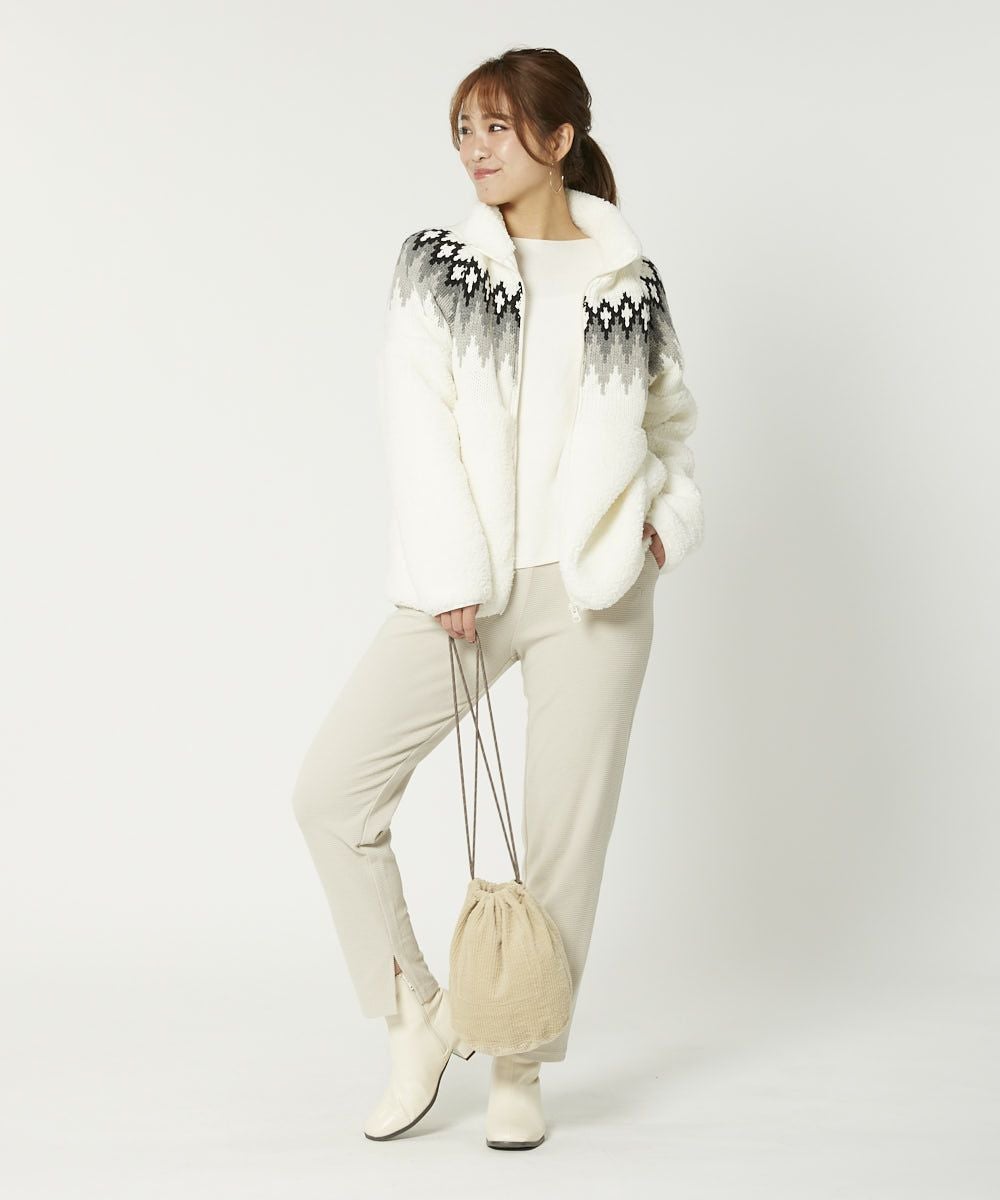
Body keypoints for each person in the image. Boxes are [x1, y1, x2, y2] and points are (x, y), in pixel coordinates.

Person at [291, 46, 704, 1150]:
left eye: (497, 127)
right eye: (464, 130)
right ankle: (417, 1022)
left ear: (559, 140)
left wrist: (661, 524)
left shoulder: (627, 280)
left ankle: (520, 1063)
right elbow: (415, 421)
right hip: (465, 586)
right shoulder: (438, 266)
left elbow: (671, 423)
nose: (474, 149)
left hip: (596, 587)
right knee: (332, 793)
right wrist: (450, 575)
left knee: (564, 843)